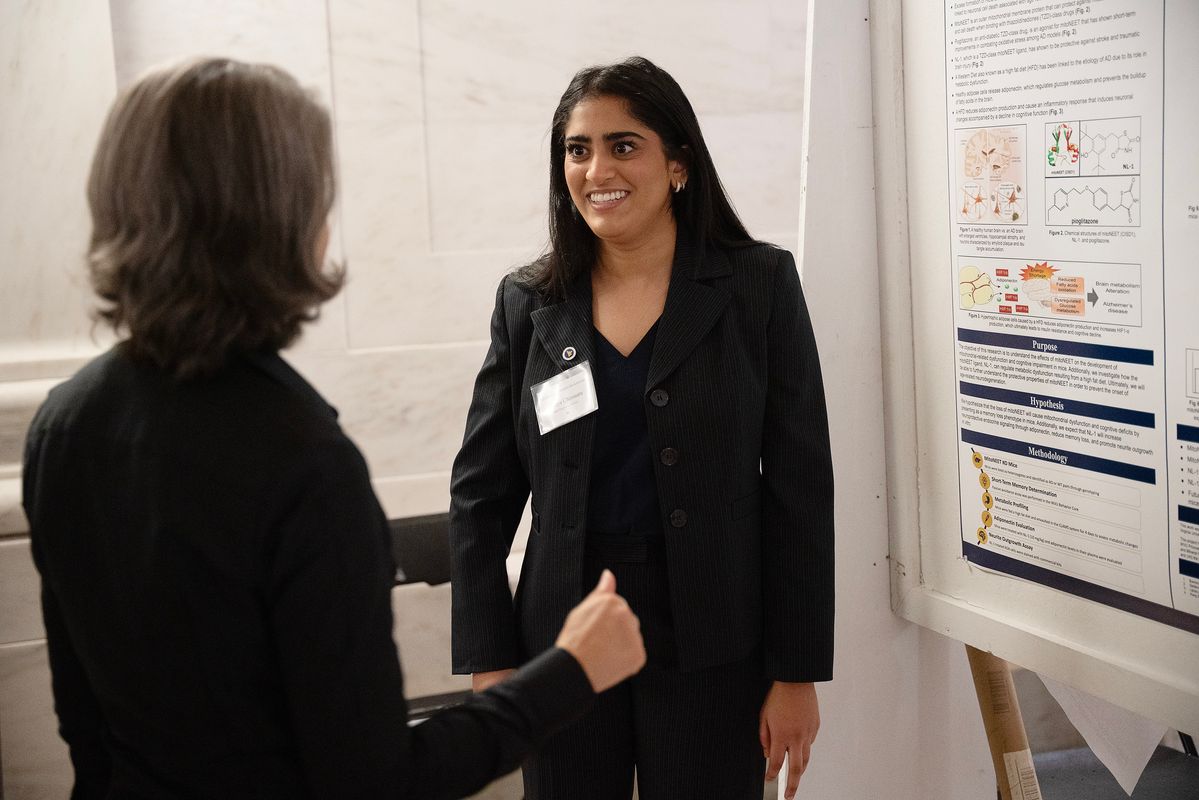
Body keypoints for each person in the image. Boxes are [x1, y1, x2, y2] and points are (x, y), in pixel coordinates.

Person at [22, 57, 645, 800]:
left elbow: (83, 728)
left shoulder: (62, 425)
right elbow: (374, 779)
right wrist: (569, 672)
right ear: (279, 216)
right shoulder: (302, 464)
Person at [449, 56, 835, 800]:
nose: (597, 168)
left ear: (678, 163)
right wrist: (489, 657)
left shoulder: (756, 287)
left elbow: (798, 491)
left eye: (623, 145)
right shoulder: (529, 302)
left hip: (715, 633)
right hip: (563, 632)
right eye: (577, 148)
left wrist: (795, 673)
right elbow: (481, 495)